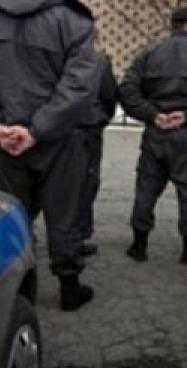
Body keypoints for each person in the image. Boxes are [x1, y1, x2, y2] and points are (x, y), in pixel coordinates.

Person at [0, 0, 100, 312]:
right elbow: (80, 86)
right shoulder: (72, 21)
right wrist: (37, 130)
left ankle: (18, 290)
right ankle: (69, 287)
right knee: (64, 214)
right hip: (59, 138)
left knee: (13, 216)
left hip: (7, 140)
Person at [119, 7, 187, 265]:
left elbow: (127, 91)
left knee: (146, 189)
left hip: (156, 133)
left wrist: (153, 115)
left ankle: (139, 244)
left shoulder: (150, 53)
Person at [77, 50, 118, 257]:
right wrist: (102, 117)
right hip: (89, 126)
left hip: (57, 127)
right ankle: (77, 237)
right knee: (86, 182)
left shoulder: (54, 54)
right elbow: (109, 95)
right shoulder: (98, 60)